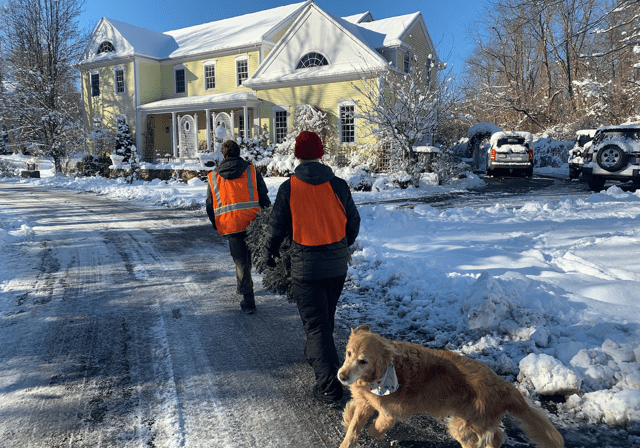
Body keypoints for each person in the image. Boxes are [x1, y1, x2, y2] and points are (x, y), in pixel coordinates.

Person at [264, 131, 360, 404]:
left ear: (297, 155)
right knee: (325, 319)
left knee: (316, 326)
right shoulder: (338, 185)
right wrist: (341, 246)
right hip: (336, 267)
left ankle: (328, 386)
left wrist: (270, 253)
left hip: (306, 269)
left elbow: (276, 227)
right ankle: (316, 355)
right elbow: (353, 222)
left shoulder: (289, 188)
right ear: (320, 153)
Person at [206, 140, 271, 313]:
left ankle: (248, 300)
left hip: (231, 225)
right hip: (254, 222)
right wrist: (267, 217)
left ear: (224, 155)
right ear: (239, 152)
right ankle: (248, 286)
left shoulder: (214, 176)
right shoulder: (251, 171)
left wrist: (216, 223)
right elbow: (263, 196)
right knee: (251, 259)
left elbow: (210, 204)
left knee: (241, 261)